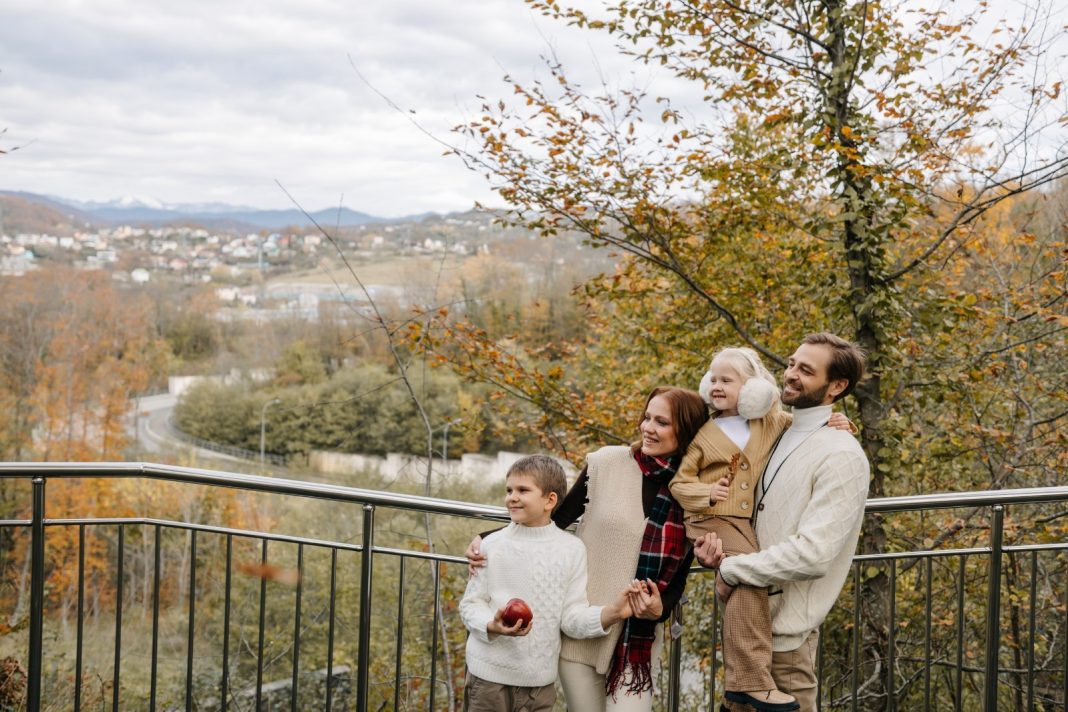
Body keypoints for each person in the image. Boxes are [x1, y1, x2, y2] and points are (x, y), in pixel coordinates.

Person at [467, 386, 709, 711]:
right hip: (581, 630)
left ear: (687, 430)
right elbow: (558, 516)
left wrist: (661, 607)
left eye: (662, 422)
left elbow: (679, 571)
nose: (648, 428)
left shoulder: (693, 490)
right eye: (647, 417)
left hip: (636, 636)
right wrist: (487, 537)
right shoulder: (606, 463)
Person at [670, 348, 852, 712]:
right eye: (714, 380)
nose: (718, 386)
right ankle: (749, 682)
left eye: (727, 380)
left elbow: (807, 424)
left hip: (743, 530)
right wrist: (707, 493)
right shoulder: (705, 432)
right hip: (710, 518)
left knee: (747, 575)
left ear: (753, 390)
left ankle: (739, 692)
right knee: (750, 576)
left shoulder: (772, 423)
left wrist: (842, 422)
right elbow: (679, 482)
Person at [458, 454, 636, 712]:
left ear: (549, 500)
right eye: (509, 490)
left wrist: (611, 614)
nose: (512, 497)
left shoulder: (572, 550)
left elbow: (570, 618)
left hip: (539, 685)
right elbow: (470, 605)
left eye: (523, 490)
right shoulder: (490, 545)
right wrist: (491, 625)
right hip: (488, 680)